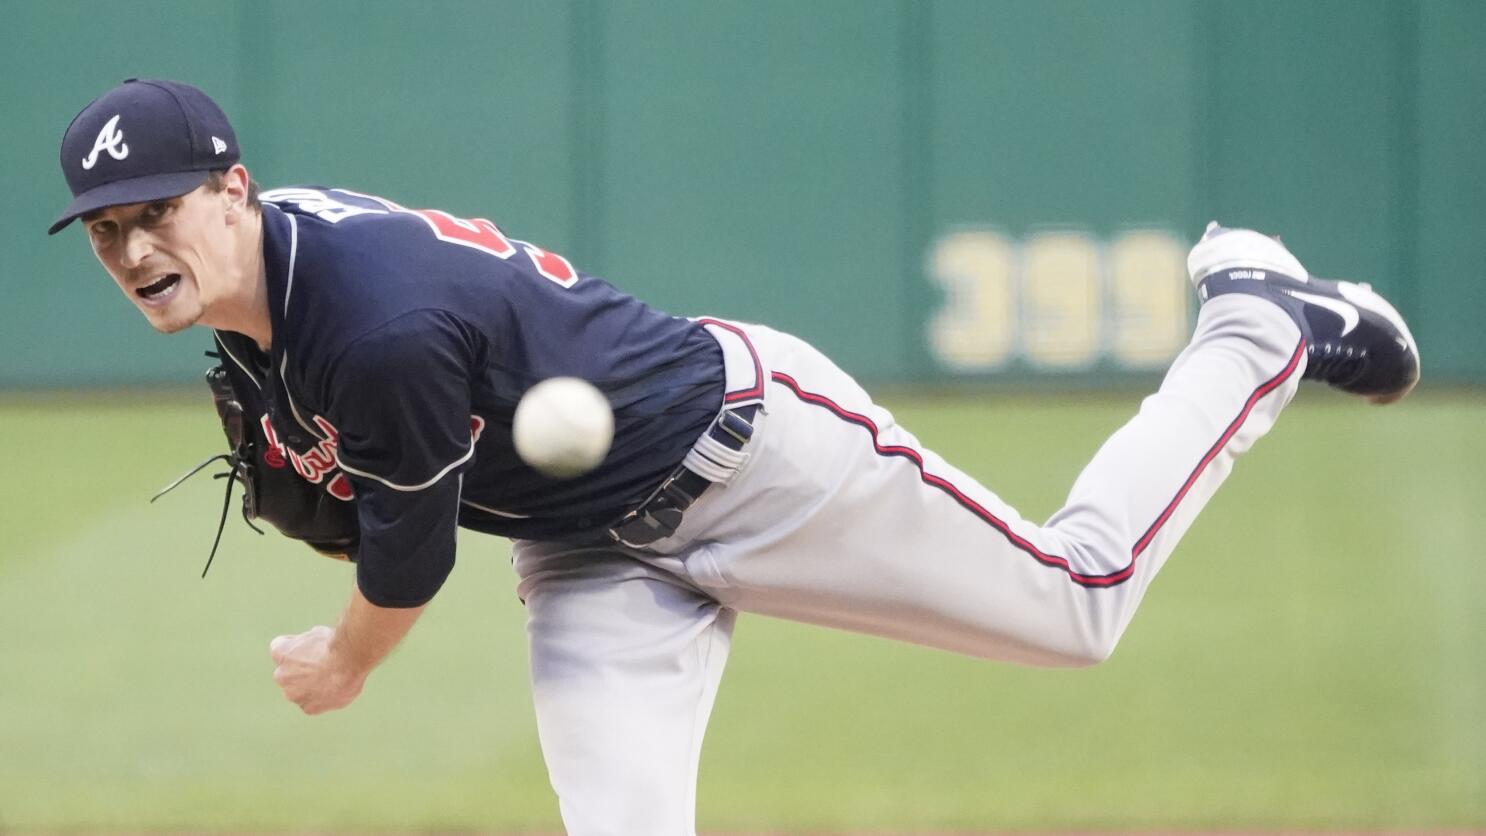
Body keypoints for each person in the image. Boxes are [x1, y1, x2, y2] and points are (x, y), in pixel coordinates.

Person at [52, 79, 1420, 834]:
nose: (131, 250)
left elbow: (404, 562)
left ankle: (1252, 323)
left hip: (759, 456)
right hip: (589, 549)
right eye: (106, 230)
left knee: (1077, 604)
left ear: (231, 191)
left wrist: (345, 656)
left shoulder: (376, 327)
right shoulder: (274, 268)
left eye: (154, 211)